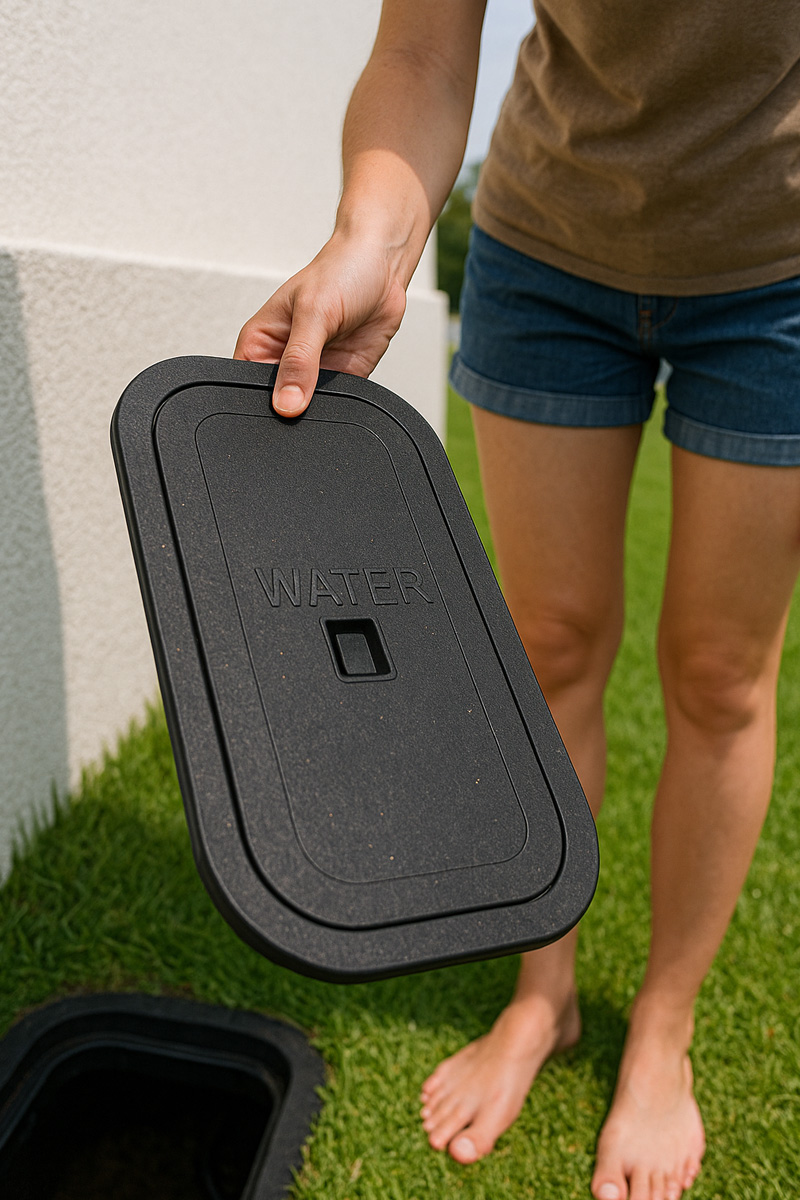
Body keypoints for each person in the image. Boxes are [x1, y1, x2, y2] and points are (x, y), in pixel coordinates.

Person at [235, 4, 800, 1197]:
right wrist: (372, 239)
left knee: (716, 672)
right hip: (548, 253)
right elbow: (425, 53)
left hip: (778, 278)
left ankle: (662, 1027)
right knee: (543, 648)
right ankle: (543, 998)